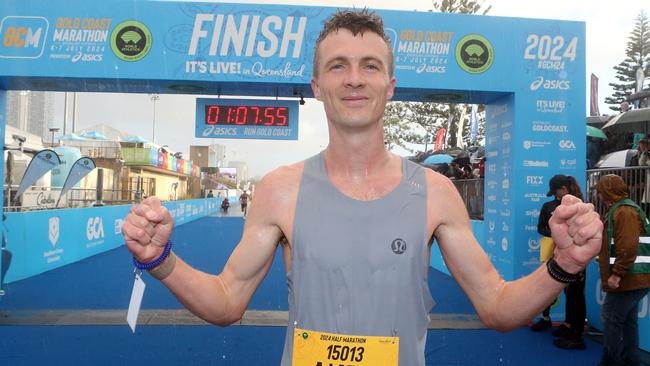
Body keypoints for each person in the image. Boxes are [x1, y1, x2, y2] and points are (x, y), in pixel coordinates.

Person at [122, 9, 602, 365]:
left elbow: (497, 307)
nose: (354, 79)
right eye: (338, 66)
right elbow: (226, 301)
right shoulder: (279, 190)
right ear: (316, 85)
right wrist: (158, 261)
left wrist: (563, 266)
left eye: (370, 66)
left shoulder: (435, 192)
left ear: (390, 85)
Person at [596, 175, 650, 366]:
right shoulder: (623, 208)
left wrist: (617, 273)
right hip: (635, 277)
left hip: (629, 277)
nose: (599, 194)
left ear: (609, 191)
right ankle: (630, 359)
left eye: (601, 190)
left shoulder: (624, 211)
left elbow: (627, 246)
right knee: (627, 320)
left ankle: (611, 361)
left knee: (611, 318)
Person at [531, 175, 588, 350]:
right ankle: (559, 324)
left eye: (557, 190)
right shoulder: (548, 206)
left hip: (575, 257)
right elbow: (541, 227)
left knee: (575, 295)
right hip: (554, 255)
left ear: (564, 188)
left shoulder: (580, 206)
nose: (556, 194)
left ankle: (575, 331)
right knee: (551, 289)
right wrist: (555, 234)